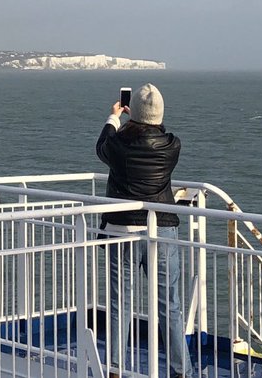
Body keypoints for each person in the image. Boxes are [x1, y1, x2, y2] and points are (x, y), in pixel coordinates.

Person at [95, 83, 189, 378]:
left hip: (122, 229)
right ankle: (181, 371)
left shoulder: (118, 146)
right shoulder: (172, 146)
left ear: (132, 112)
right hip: (161, 229)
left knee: (119, 303)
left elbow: (102, 146)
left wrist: (114, 117)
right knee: (169, 304)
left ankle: (114, 369)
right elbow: (155, 133)